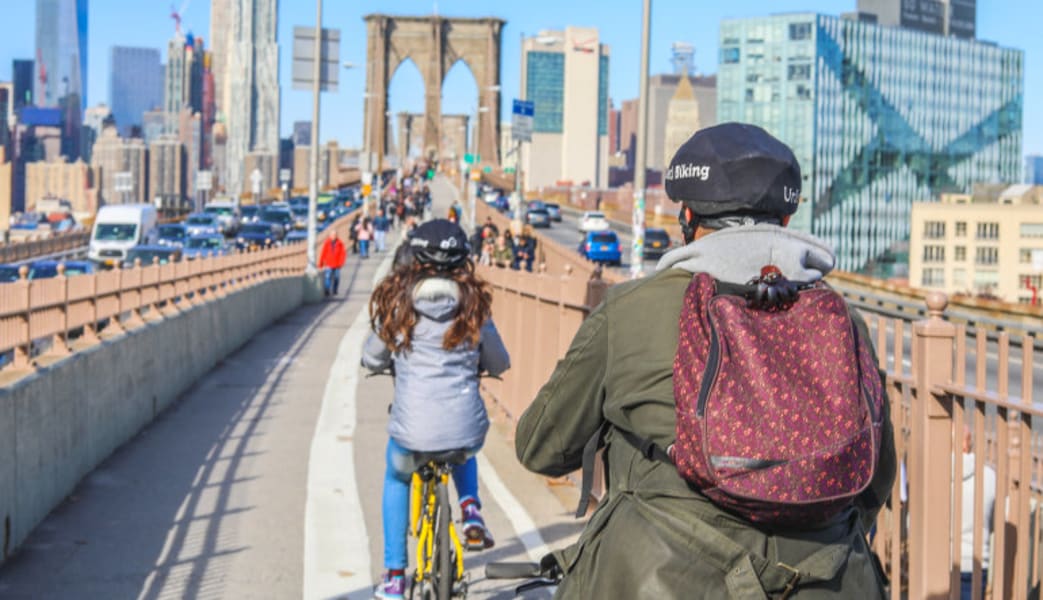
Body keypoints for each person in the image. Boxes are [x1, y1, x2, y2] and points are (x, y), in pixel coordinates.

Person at [514, 123, 896, 598]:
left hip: (657, 579)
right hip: (832, 579)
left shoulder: (632, 310)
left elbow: (541, 448)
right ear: (785, 218)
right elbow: (876, 477)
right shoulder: (843, 320)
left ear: (688, 216)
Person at [362, 219, 511, 600]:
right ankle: (470, 508)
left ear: (415, 259)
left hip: (412, 429)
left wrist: (386, 358)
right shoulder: (474, 307)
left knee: (397, 476)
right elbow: (498, 360)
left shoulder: (398, 304)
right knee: (462, 442)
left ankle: (395, 575)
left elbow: (371, 355)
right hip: (464, 425)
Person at [961, 425, 996, 599]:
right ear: (968, 445)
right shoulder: (989, 476)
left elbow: (911, 522)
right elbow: (996, 521)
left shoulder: (933, 471)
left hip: (938, 560)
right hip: (976, 561)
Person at [317, 230, 346, 297]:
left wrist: (341, 263)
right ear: (330, 236)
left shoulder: (340, 243)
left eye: (335, 235)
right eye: (332, 235)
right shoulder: (327, 243)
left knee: (336, 277)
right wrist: (320, 263)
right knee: (328, 277)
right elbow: (323, 253)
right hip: (329, 263)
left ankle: (335, 290)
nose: (333, 236)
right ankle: (327, 289)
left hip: (337, 264)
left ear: (337, 235)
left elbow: (343, 254)